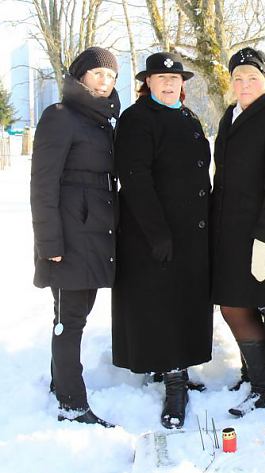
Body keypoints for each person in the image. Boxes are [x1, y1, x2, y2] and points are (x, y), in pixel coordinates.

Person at [112, 52, 213, 429]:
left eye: (175, 79)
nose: (169, 84)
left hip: (190, 232)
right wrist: (157, 233)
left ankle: (177, 366)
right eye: (160, 79)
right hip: (154, 232)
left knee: (184, 301)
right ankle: (173, 382)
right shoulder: (138, 119)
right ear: (148, 83)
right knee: (161, 303)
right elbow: (135, 178)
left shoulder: (186, 116)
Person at [30, 47, 120, 427]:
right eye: (99, 73)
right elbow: (43, 185)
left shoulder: (101, 121)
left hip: (95, 234)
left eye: (112, 76)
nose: (106, 81)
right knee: (70, 317)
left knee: (74, 313)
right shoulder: (60, 117)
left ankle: (59, 381)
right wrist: (49, 245)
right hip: (69, 237)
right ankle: (71, 402)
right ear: (81, 76)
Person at [211, 48, 265, 417]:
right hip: (225, 233)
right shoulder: (229, 118)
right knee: (235, 303)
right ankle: (252, 374)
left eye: (253, 78)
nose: (244, 84)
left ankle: (264, 389)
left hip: (256, 235)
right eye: (238, 78)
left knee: (236, 305)